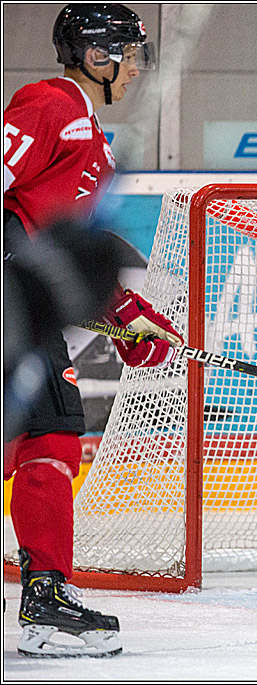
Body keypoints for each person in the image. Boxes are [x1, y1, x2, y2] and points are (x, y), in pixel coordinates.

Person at [3, 4, 181, 658]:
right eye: (128, 55)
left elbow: (67, 251)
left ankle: (47, 595)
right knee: (45, 431)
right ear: (95, 55)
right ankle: (46, 600)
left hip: (24, 304)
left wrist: (125, 316)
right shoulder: (49, 104)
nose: (135, 69)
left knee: (45, 433)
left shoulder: (95, 139)